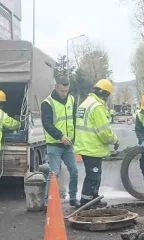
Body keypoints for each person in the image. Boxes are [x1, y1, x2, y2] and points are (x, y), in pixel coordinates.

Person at [74, 79, 119, 208]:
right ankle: (87, 201)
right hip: (92, 147)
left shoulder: (85, 103)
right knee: (93, 176)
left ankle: (93, 198)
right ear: (106, 94)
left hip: (85, 145)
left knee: (94, 174)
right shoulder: (97, 107)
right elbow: (104, 133)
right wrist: (115, 140)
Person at [41, 78, 79, 206]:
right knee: (54, 173)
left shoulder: (72, 99)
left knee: (74, 170)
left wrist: (74, 138)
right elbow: (47, 124)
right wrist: (60, 136)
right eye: (62, 91)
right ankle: (48, 202)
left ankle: (73, 198)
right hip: (54, 144)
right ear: (56, 87)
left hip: (68, 144)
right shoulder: (47, 103)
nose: (64, 93)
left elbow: (74, 119)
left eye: (66, 91)